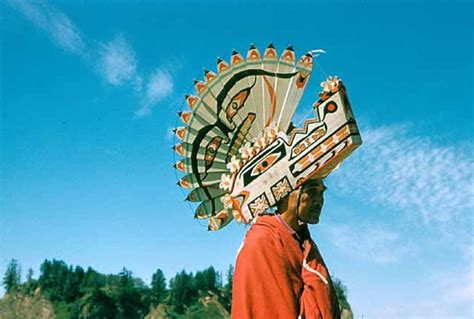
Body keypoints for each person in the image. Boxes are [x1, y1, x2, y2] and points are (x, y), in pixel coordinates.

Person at [231, 179, 341, 319]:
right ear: (284, 193)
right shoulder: (261, 242)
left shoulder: (302, 242)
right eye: (311, 192)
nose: (319, 201)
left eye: (321, 193)